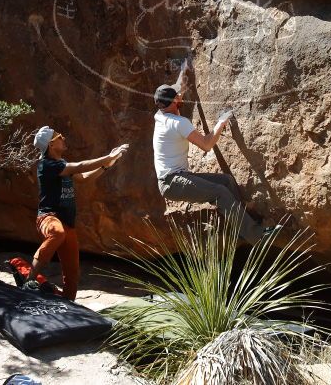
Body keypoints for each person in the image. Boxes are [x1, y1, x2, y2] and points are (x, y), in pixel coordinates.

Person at [152, 62, 279, 245]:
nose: (180, 96)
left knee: (226, 181)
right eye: (178, 97)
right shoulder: (178, 123)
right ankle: (257, 236)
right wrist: (220, 123)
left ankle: (241, 230)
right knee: (219, 192)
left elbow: (177, 90)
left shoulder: (160, 113)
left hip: (177, 178)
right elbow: (206, 144)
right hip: (172, 183)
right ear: (175, 102)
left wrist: (185, 67)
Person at [27, 126, 128, 299]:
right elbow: (80, 166)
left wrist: (106, 165)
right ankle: (29, 279)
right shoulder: (46, 165)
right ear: (51, 145)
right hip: (48, 217)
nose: (63, 137)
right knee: (56, 233)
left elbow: (84, 178)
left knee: (73, 274)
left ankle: (69, 304)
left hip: (68, 222)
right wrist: (107, 157)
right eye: (59, 136)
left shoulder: (61, 164)